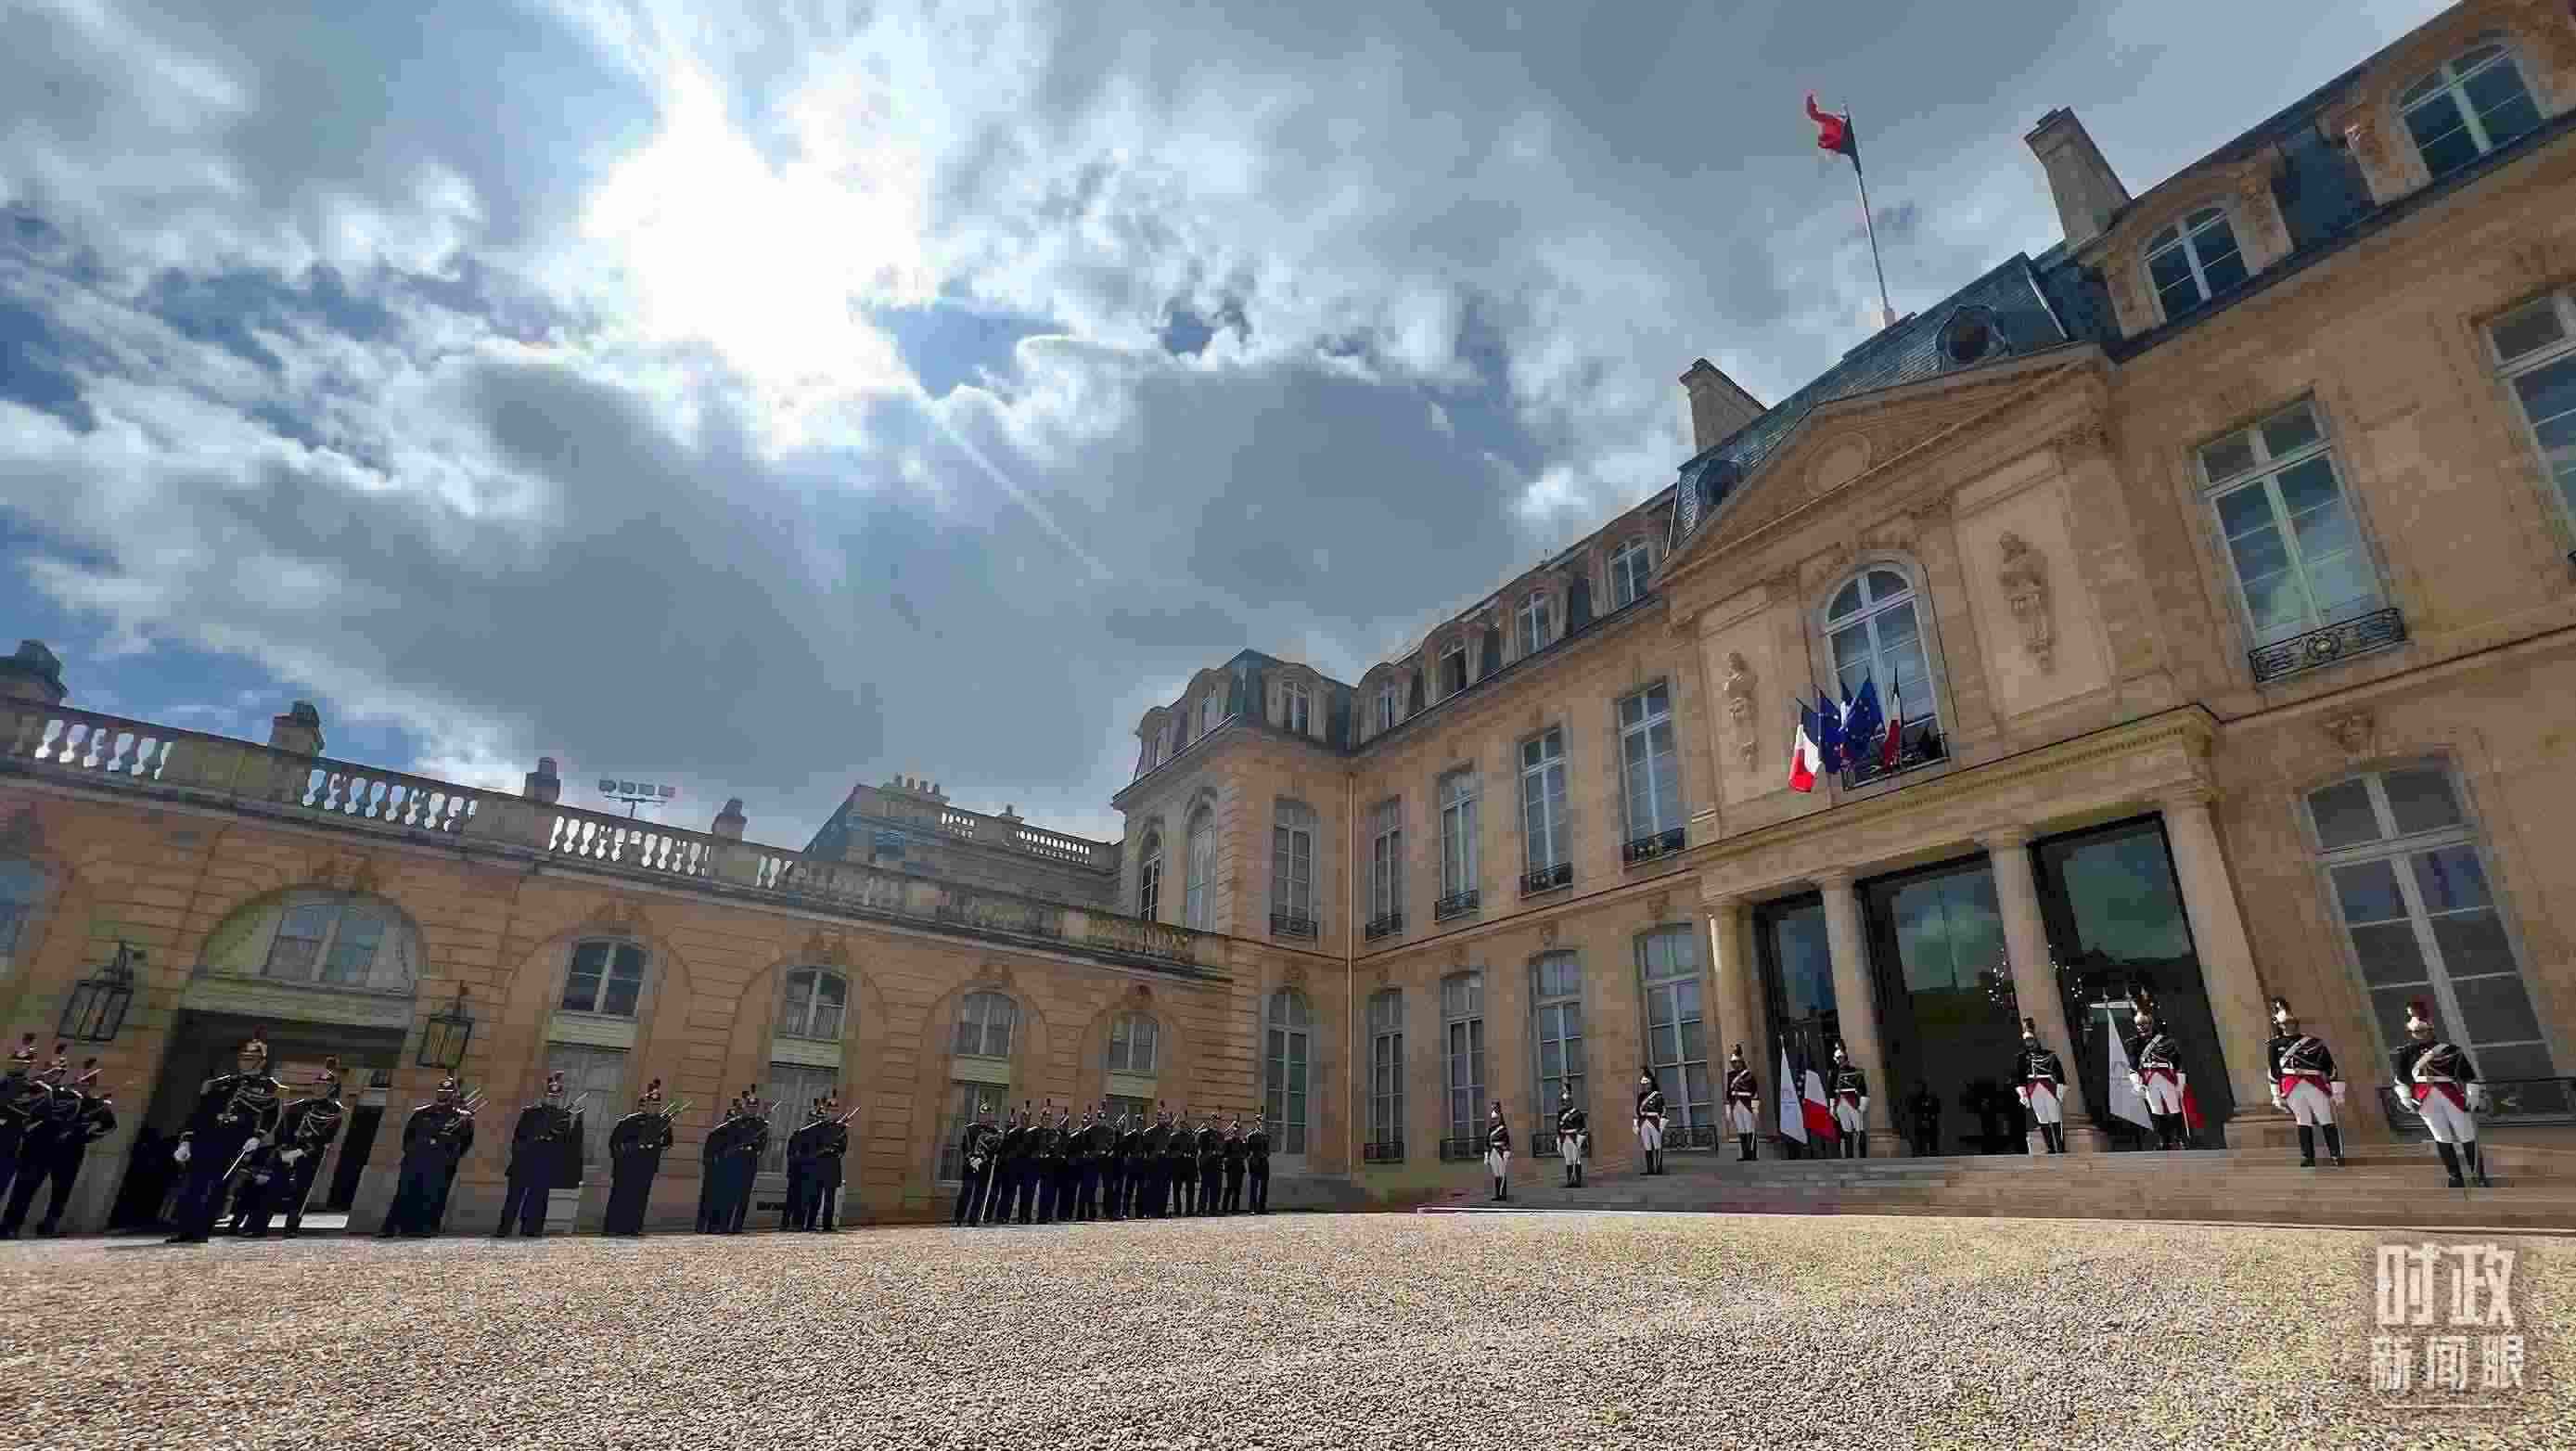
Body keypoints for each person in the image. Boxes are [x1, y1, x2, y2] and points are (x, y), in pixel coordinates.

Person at [166, 1031, 284, 1244]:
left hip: (234, 1141)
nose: (244, 1062)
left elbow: (270, 1115)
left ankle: (201, 1231)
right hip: (206, 1138)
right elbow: (200, 1114)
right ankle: (185, 1229)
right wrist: (186, 1141)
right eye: (243, 1058)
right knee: (193, 1185)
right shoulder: (221, 1083)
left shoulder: (269, 1087)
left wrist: (257, 1136)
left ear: (262, 1062)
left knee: (217, 1186)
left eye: (251, 1058)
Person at [3, 1054, 114, 1239]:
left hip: (69, 1152)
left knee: (61, 1192)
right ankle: (10, 1226)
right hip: (42, 1146)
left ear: (91, 1085)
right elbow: (32, 1114)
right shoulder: (54, 1093)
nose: (82, 1083)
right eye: (81, 1079)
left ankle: (49, 1225)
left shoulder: (95, 1104)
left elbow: (109, 1126)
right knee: (24, 1188)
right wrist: (30, 1133)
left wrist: (84, 1138)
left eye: (87, 1082)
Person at [237, 1058, 343, 1239]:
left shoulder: (334, 1110)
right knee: (271, 1190)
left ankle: (291, 1228)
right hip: (285, 1152)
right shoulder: (297, 1106)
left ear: (331, 1089)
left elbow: (326, 1137)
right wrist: (283, 1150)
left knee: (300, 1193)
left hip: (308, 1155)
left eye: (325, 1086)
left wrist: (300, 1152)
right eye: (318, 1085)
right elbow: (282, 1130)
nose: (320, 1088)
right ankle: (257, 1227)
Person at [2392, 998, 2489, 1188]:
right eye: (2415, 1032)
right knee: (2442, 1137)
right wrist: (2405, 1096)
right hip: (2424, 1097)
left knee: (2466, 1135)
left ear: (2430, 1029)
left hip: (2451, 1094)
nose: (2419, 1035)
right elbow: (2401, 1079)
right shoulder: (2406, 1053)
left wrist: (2472, 1096)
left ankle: (2478, 1176)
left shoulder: (2451, 1050)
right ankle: (2455, 1177)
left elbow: (2468, 1076)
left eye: (2422, 1030)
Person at [378, 1076, 475, 1239]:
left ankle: (422, 1228)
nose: (443, 1094)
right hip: (415, 1160)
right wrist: (411, 1152)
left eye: (447, 1092)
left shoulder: (461, 1118)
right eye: (441, 1091)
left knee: (431, 1196)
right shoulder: (421, 1113)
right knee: (403, 1194)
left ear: (454, 1094)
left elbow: (466, 1142)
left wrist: (450, 1158)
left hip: (439, 1163)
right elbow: (408, 1137)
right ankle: (390, 1228)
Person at [496, 1071, 582, 1239]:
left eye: (556, 1097)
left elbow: (563, 1144)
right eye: (550, 1096)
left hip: (544, 1164)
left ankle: (531, 1229)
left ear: (560, 1098)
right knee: (513, 1199)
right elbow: (518, 1137)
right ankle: (504, 1229)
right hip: (524, 1161)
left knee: (538, 1199)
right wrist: (524, 1150)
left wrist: (551, 1141)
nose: (552, 1099)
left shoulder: (563, 1117)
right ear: (545, 1096)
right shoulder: (530, 1113)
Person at [2266, 997, 2346, 1169]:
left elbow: (2329, 1066)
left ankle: (2335, 1154)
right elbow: (2274, 1070)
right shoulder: (2274, 1045)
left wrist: (2337, 1091)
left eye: (2292, 1022)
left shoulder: (2315, 1042)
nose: (2290, 1026)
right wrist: (2276, 1095)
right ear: (2280, 1025)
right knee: (2303, 1120)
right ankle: (2307, 1156)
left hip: (2314, 1082)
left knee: (2325, 1117)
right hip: (2291, 1085)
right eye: (2286, 1023)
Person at [604, 1079, 676, 1236]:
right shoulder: (630, 1121)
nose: (654, 1107)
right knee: (620, 1196)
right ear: (645, 1104)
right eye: (651, 1104)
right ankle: (612, 1228)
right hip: (627, 1166)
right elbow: (615, 1144)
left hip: (647, 1166)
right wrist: (629, 1151)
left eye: (657, 1105)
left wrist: (664, 1133)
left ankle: (633, 1227)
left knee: (640, 1198)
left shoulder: (662, 1123)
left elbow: (667, 1144)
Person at [2124, 986, 2192, 1150]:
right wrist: (2137, 1083)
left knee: (2174, 1108)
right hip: (2149, 1079)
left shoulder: (2167, 1041)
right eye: (2139, 1025)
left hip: (2166, 1076)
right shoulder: (2133, 1043)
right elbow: (2133, 1067)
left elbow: (2178, 1064)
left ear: (2151, 1023)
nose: (2142, 1028)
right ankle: (2164, 1140)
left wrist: (2180, 1084)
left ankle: (2180, 1139)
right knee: (2157, 1110)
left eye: (2145, 1024)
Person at [2012, 1021, 2070, 1156]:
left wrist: (2059, 1091)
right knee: (2042, 1118)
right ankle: (2050, 1148)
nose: (2029, 1043)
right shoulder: (2021, 1058)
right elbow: (2019, 1078)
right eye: (2026, 1040)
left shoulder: (2049, 1055)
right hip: (2033, 1089)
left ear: (2036, 1039)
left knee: (2055, 1117)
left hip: (2049, 1087)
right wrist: (2023, 1094)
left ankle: (2060, 1147)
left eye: (2031, 1039)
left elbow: (2059, 1074)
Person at [0, 1034, 41, 1213]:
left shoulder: (32, 1089)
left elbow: (29, 1114)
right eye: (15, 1062)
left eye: (21, 1064)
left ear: (28, 1066)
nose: (16, 1066)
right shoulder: (2, 1083)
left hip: (9, 1140)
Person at [724, 1090, 769, 1234]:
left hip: (750, 1161)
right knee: (730, 1193)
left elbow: (762, 1145)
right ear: (745, 1107)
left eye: (754, 1107)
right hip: (735, 1160)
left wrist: (754, 1146)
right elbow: (728, 1141)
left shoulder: (761, 1124)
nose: (752, 1110)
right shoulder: (735, 1122)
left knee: (744, 1195)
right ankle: (724, 1224)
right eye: (750, 1107)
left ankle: (737, 1226)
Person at [697, 1096, 743, 1234]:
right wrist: (716, 1165)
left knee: (723, 1201)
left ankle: (717, 1226)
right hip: (714, 1172)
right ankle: (703, 1226)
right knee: (708, 1200)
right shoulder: (716, 1133)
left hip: (728, 1173)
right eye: (730, 1119)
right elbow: (708, 1156)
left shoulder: (738, 1134)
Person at [783, 1098, 826, 1230]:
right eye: (813, 1119)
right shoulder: (799, 1134)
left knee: (815, 1200)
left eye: (819, 1119)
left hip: (817, 1172)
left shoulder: (823, 1136)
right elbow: (791, 1154)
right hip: (799, 1172)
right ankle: (790, 1223)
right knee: (794, 1199)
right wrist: (804, 1159)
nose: (816, 1122)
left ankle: (810, 1224)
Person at [955, 1099, 1000, 1227]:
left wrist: (983, 1159)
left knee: (980, 1194)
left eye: (988, 1114)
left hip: (984, 1166)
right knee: (966, 1192)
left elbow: (993, 1150)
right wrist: (971, 1159)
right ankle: (958, 1218)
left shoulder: (994, 1132)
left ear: (991, 1116)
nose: (985, 1117)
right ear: (979, 1115)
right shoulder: (970, 1128)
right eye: (983, 1114)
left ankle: (973, 1220)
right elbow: (965, 1146)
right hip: (970, 1166)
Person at [810, 1092, 849, 1231]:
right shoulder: (819, 1126)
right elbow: (813, 1144)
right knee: (815, 1195)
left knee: (830, 1197)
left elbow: (843, 1147)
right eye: (831, 1110)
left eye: (835, 1111)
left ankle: (827, 1225)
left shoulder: (841, 1128)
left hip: (832, 1164)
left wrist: (833, 1149)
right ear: (826, 1111)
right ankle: (810, 1223)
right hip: (819, 1163)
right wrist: (822, 1149)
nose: (833, 1113)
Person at [1827, 1042, 1869, 1159]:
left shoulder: (1855, 1071)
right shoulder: (1834, 1074)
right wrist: (1832, 1107)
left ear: (1846, 1058)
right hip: (1839, 1103)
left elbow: (1862, 1089)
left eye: (1841, 1058)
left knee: (1859, 1129)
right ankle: (1849, 1156)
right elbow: (1831, 1091)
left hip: (1853, 1102)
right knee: (1846, 1130)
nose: (1840, 1061)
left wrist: (1862, 1105)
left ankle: (1862, 1156)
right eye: (1838, 1058)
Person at [1724, 1047, 1761, 1162]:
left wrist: (1755, 1107)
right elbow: (1728, 1092)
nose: (1735, 1065)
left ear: (1741, 1062)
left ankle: (1752, 1154)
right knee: (1741, 1130)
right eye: (1733, 1063)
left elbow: (1754, 1092)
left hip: (1747, 1104)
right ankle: (1745, 1154)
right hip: (1735, 1104)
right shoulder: (1730, 1075)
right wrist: (1728, 1108)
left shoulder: (1749, 1075)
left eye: (1736, 1062)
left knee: (1749, 1128)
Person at [1633, 1069, 1668, 1176]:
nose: (1645, 1086)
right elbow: (1637, 1110)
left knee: (1657, 1145)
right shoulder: (1641, 1096)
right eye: (1643, 1084)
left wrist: (1662, 1122)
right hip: (1643, 1122)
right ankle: (1650, 1169)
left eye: (1647, 1084)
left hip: (1654, 1121)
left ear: (1651, 1083)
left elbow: (1663, 1110)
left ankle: (1658, 1168)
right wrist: (1635, 1124)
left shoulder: (1657, 1095)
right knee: (1647, 1146)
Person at [1137, 1107, 1170, 1218]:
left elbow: (1170, 1148)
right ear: (1157, 1119)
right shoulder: (1149, 1132)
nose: (1163, 1120)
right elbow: (1144, 1149)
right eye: (1161, 1118)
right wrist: (1153, 1154)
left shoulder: (1168, 1132)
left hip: (1164, 1163)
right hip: (1152, 1163)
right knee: (1151, 1188)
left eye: (1164, 1118)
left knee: (1163, 1189)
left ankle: (1161, 1212)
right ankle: (1148, 1211)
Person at [1105, 1109, 1135, 1221]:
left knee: (1118, 1191)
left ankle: (1117, 1212)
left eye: (1123, 1124)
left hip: (1121, 1166)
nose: (1121, 1126)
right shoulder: (1111, 1136)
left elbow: (1126, 1152)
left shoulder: (1124, 1138)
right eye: (1120, 1124)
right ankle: (1108, 1212)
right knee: (1109, 1190)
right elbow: (1108, 1149)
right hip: (1111, 1166)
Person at [1556, 1090, 1588, 1188]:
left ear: (1571, 1101)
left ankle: (1578, 1181)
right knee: (1568, 1160)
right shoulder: (1560, 1113)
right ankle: (1570, 1181)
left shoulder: (1577, 1113)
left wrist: (1579, 1137)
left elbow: (1581, 1127)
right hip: (1564, 1138)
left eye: (1568, 1101)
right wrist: (1559, 1140)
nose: (1566, 1103)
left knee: (1576, 1159)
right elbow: (1558, 1127)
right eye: (1564, 1101)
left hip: (1574, 1138)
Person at [1482, 1102, 1513, 1202]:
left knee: (1502, 1173)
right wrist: (1486, 1156)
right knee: (1496, 1174)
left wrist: (1506, 1152)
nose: (1493, 1114)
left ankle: (1503, 1195)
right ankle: (1497, 1195)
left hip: (1500, 1151)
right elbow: (1487, 1143)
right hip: (1492, 1152)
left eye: (1495, 1111)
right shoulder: (1490, 1129)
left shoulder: (1503, 1128)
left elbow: (1507, 1141)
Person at [1196, 1112, 1224, 1215]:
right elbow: (1199, 1149)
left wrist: (1220, 1153)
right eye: (1214, 1121)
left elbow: (1223, 1149)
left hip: (1217, 1163)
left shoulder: (1220, 1135)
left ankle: (1213, 1209)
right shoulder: (1203, 1133)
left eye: (1218, 1121)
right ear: (1211, 1121)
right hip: (1206, 1163)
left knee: (1216, 1188)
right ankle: (1201, 1209)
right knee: (1205, 1187)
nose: (1216, 1123)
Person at [1905, 1082, 1942, 1158]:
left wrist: (1931, 1118)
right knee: (1921, 1146)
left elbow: (1936, 1110)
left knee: (1933, 1145)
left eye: (1921, 1087)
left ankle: (1933, 1156)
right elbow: (1912, 1111)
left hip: (1931, 1125)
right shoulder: (1914, 1100)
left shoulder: (1931, 1098)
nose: (1919, 1089)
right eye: (1917, 1087)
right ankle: (1923, 1156)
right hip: (1920, 1126)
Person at [1246, 1114, 1272, 1214]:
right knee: (1254, 1186)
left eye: (1262, 1121)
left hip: (1264, 1162)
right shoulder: (1251, 1136)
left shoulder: (1266, 1136)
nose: (1261, 1123)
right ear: (1255, 1122)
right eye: (1259, 1121)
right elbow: (1247, 1152)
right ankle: (1252, 1208)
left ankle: (1262, 1207)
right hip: (1255, 1162)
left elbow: (1268, 1150)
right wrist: (1251, 1161)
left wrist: (1265, 1154)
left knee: (1264, 1186)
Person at [1222, 1116, 1249, 1213]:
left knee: (1238, 1189)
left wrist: (1244, 1143)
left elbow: (1246, 1154)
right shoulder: (1228, 1141)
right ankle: (1224, 1208)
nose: (1237, 1132)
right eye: (1235, 1130)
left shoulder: (1242, 1142)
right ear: (1233, 1131)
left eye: (1238, 1130)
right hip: (1231, 1167)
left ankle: (1235, 1208)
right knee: (1229, 1188)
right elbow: (1224, 1154)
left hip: (1239, 1167)